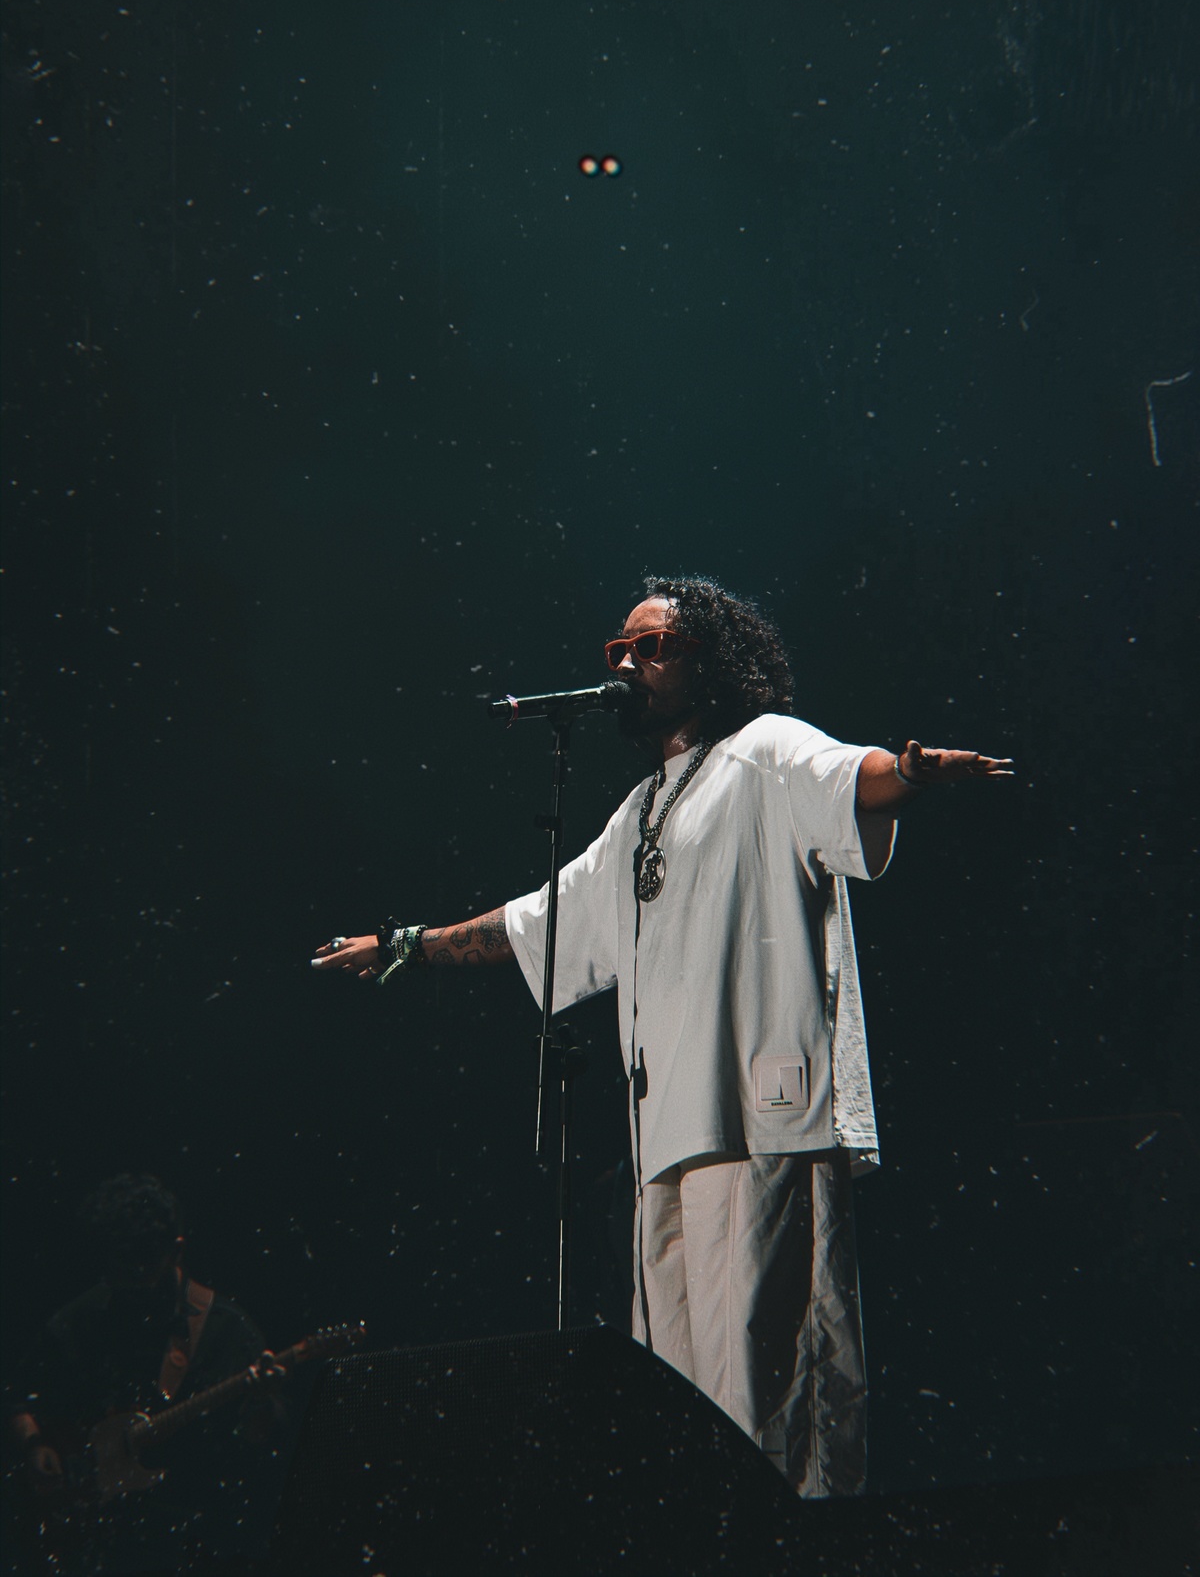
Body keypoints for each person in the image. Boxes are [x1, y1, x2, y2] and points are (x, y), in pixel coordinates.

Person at [313, 576, 1013, 1497]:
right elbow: (534, 923)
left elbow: (855, 774)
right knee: (683, 1415)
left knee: (771, 1395)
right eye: (619, 649)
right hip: (664, 1145)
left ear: (710, 663)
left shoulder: (767, 750)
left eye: (652, 648)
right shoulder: (640, 812)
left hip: (765, 1120)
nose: (627, 664)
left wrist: (910, 774)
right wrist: (409, 945)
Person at [6, 1173, 287, 1571]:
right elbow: (22, 1399)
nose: (132, 1278)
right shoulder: (79, 1322)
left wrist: (261, 1400)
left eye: (143, 1263)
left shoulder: (225, 1330)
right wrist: (35, 1446)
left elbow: (260, 1442)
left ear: (176, 1250)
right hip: (94, 1545)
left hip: (195, 1542)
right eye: (121, 1265)